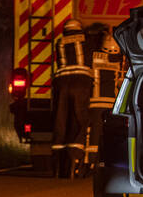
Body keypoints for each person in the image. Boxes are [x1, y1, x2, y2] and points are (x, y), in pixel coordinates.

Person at [51, 18, 93, 179]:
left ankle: (57, 166)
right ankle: (75, 161)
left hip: (61, 83)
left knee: (61, 121)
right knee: (79, 120)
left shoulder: (60, 42)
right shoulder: (86, 39)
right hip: (81, 82)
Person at [85, 31, 125, 172]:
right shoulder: (121, 61)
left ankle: (90, 163)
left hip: (95, 103)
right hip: (112, 105)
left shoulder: (94, 57)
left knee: (93, 133)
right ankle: (109, 162)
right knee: (111, 134)